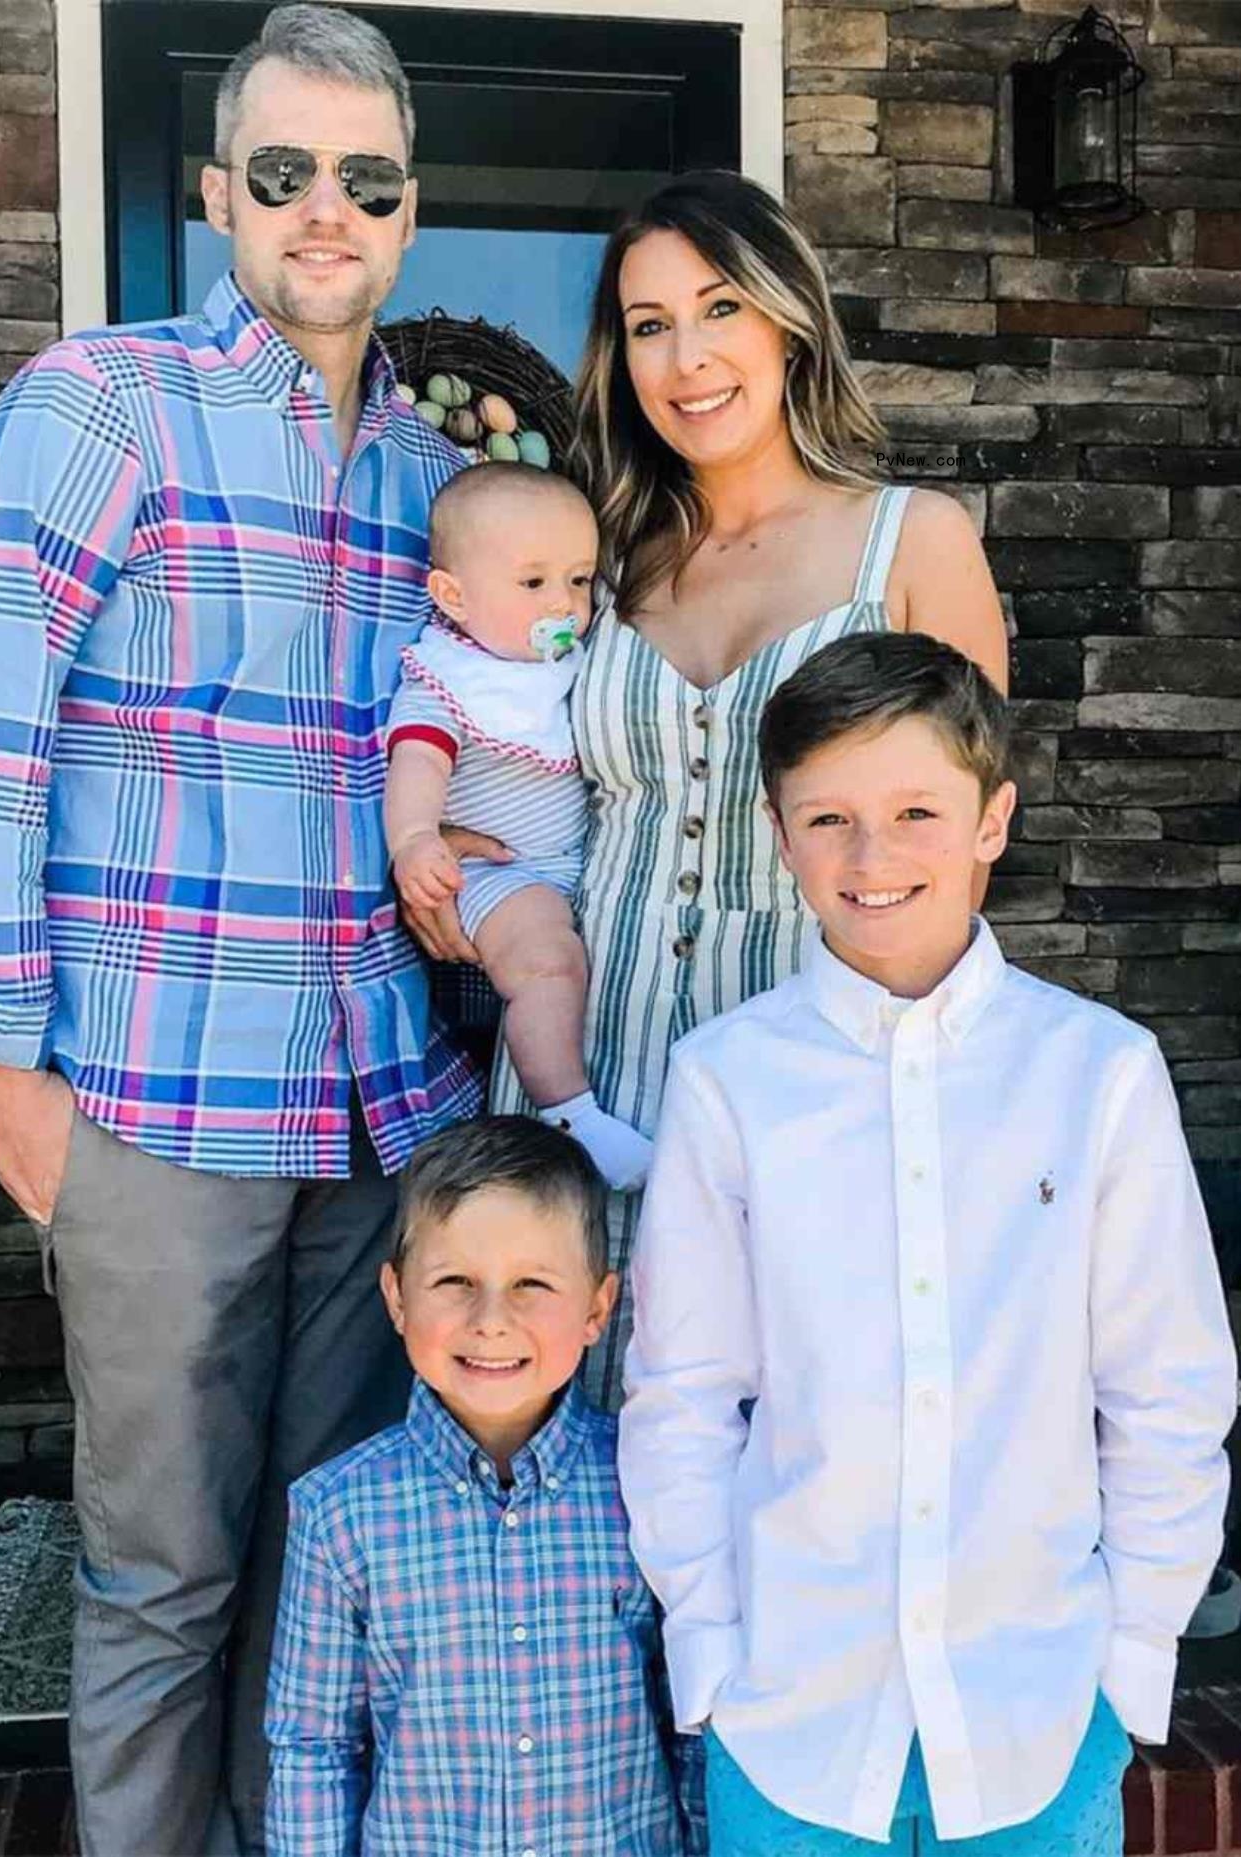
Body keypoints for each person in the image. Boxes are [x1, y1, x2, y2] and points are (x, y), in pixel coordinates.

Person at [0, 9, 479, 1851]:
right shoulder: (99, 402)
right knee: (158, 1582)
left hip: (378, 1112)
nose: (326, 210)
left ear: (408, 209)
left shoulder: (428, 480)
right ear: (220, 191)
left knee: (319, 1585)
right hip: (152, 1100)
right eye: (286, 172)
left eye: (364, 180)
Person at [618, 632, 1238, 1855]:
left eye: (915, 811)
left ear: (992, 819)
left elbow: (1167, 1385)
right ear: (779, 831)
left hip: (1039, 1718)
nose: (873, 855)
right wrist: (711, 1649)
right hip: (791, 1721)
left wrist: (1133, 1652)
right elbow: (685, 1393)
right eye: (829, 818)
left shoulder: (1099, 1073)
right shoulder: (727, 1083)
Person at [407, 170, 1012, 1401]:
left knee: (793, 1426)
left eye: (721, 308)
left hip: (808, 1062)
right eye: (648, 325)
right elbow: (501, 732)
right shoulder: (600, 558)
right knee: (565, 1416)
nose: (687, 357)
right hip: (589, 1061)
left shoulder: (915, 541)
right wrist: (462, 856)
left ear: (790, 318)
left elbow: (960, 848)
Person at [264, 1116, 686, 1855]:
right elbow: (314, 1747)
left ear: (598, 1306)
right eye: (455, 1281)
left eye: (532, 1283)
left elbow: (693, 1722)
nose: (491, 1320)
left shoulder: (651, 1484)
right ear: (396, 1297)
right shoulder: (337, 1514)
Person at [386, 465, 652, 1189]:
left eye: (577, 580)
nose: (563, 604)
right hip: (491, 872)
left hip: (567, 864)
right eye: (533, 584)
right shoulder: (449, 679)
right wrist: (415, 840)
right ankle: (569, 1113)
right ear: (453, 595)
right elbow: (417, 763)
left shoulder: (562, 666)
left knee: (585, 967)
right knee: (546, 965)